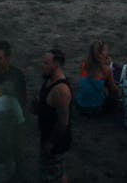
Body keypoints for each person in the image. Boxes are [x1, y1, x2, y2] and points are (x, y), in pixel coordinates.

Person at [34, 49, 72, 183]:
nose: (42, 65)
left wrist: (51, 143)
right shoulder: (49, 79)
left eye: (45, 63)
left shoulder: (61, 91)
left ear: (55, 65)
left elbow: (63, 123)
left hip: (55, 143)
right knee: (59, 172)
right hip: (47, 137)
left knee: (50, 176)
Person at [75, 40, 119, 115]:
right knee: (114, 94)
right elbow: (113, 88)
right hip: (96, 109)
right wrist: (108, 66)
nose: (107, 52)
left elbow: (91, 74)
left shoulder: (84, 65)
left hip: (79, 106)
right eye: (105, 50)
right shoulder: (106, 70)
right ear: (100, 54)